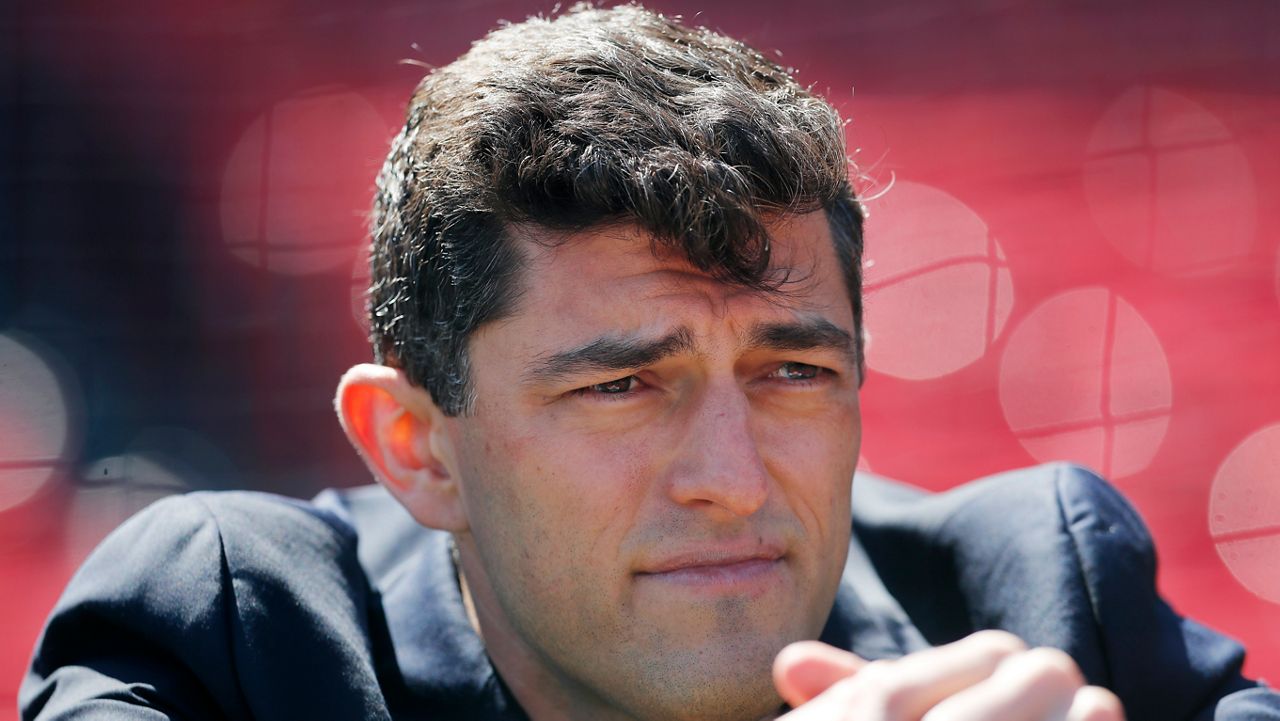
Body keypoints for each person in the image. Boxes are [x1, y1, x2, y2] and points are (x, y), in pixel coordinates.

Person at [20, 4, 1280, 720]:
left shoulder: (1049, 601)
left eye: (792, 371)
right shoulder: (231, 640)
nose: (731, 478)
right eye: (620, 385)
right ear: (417, 447)